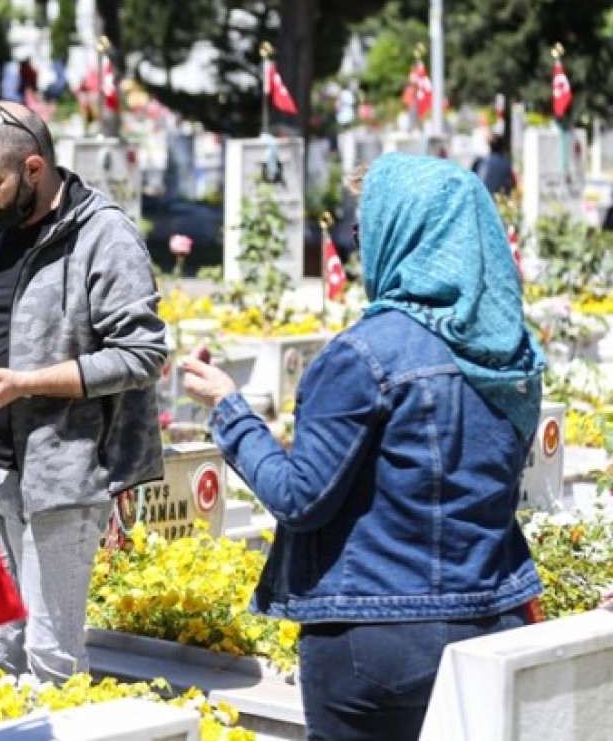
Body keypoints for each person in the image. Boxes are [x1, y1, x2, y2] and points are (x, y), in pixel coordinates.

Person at [179, 152, 546, 740]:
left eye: (362, 230)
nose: (359, 247)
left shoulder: (365, 354)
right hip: (491, 619)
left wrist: (229, 408)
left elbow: (299, 498)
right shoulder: (511, 356)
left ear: (402, 234)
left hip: (376, 635)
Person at [0, 99, 167, 683]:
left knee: (52, 658)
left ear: (33, 169)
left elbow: (142, 354)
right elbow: (8, 331)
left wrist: (25, 385)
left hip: (61, 476)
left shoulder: (104, 235)